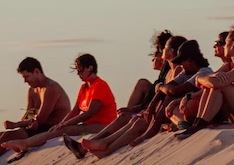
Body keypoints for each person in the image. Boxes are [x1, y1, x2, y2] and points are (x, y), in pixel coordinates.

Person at [66, 39, 208, 158]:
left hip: (183, 116)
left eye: (183, 62)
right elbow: (164, 90)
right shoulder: (183, 72)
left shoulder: (202, 72)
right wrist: (151, 105)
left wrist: (161, 89)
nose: (181, 65)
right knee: (134, 118)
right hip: (167, 114)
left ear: (189, 60)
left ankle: (107, 147)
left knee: (137, 121)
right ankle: (103, 145)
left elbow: (174, 90)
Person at [2, 53, 117, 156]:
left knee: (60, 130)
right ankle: (25, 143)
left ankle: (25, 143)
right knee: (58, 129)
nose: (78, 74)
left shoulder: (99, 85)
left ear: (90, 68)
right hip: (88, 124)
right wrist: (62, 123)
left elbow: (89, 113)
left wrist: (65, 124)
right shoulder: (84, 88)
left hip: (103, 125)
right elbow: (75, 110)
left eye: (80, 70)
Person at [177, 21, 234, 138]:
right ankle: (197, 124)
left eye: (226, 43)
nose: (224, 47)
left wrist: (200, 78)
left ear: (233, 45)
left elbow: (215, 82)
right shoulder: (229, 65)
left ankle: (200, 125)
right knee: (212, 86)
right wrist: (192, 93)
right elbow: (207, 83)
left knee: (222, 86)